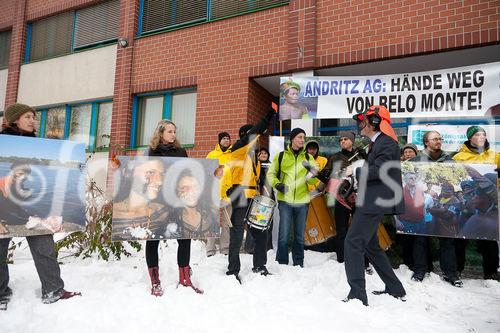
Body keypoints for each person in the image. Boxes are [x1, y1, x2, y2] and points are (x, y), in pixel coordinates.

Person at [0, 103, 80, 309]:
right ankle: (0, 292)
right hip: (2, 206)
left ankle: (53, 288)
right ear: (15, 119)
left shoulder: (38, 145)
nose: (32, 120)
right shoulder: (2, 142)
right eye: (27, 116)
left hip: (24, 206)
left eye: (33, 117)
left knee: (45, 246)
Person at [343, 105, 406, 306]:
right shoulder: (377, 143)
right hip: (372, 198)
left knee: (352, 242)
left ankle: (357, 295)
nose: (360, 124)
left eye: (363, 120)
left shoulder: (387, 143)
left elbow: (381, 171)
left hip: (375, 201)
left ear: (375, 122)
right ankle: (395, 288)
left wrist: (354, 171)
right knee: (371, 246)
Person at [145, 119, 203, 295]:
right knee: (153, 238)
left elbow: (187, 174)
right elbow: (147, 177)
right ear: (160, 133)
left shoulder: (180, 151)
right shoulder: (152, 152)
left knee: (185, 237)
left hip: (178, 200)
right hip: (158, 202)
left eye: (174, 131)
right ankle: (155, 281)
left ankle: (185, 278)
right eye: (169, 131)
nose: (173, 134)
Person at [221, 108, 275, 282]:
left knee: (260, 232)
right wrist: (268, 116)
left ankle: (260, 265)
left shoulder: (254, 157)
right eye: (254, 137)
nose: (257, 139)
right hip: (240, 195)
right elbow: (255, 132)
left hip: (253, 197)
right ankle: (233, 269)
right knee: (237, 233)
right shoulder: (238, 148)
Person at [409, 130, 462, 287]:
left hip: (445, 206)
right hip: (423, 205)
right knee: (420, 238)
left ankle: (450, 273)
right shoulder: (416, 161)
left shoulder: (450, 161)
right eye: (434, 139)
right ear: (426, 142)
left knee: (447, 240)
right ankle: (420, 270)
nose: (438, 141)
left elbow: (457, 181)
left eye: (440, 139)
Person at [317, 131, 370, 271]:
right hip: (341, 198)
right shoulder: (335, 157)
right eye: (341, 140)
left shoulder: (360, 155)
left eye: (345, 139)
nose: (343, 141)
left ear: (352, 140)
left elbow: (372, 172)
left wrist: (366, 158)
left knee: (361, 230)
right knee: (341, 229)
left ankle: (364, 261)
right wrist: (325, 174)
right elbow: (325, 177)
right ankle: (342, 259)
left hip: (360, 197)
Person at [453, 125, 500, 280]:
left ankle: (491, 273)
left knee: (490, 240)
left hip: (489, 204)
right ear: (470, 138)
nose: (482, 137)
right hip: (469, 204)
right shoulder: (458, 158)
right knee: (460, 238)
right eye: (478, 134)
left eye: (484, 134)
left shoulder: (495, 156)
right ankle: (457, 269)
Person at [267, 128, 318, 267]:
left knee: (300, 237)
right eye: (300, 137)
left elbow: (313, 181)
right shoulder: (281, 156)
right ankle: (282, 263)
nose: (302, 140)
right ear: (292, 139)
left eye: (304, 137)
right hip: (285, 201)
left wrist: (312, 174)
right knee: (283, 236)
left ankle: (298, 262)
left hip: (302, 202)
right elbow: (271, 174)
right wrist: (278, 185)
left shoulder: (308, 158)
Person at [112, 158, 168, 240]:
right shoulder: (113, 214)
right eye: (150, 172)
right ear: (130, 174)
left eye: (162, 175)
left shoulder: (162, 213)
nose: (160, 181)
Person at [167, 171, 218, 239]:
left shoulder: (212, 213)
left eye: (195, 186)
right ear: (176, 191)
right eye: (184, 188)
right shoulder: (170, 220)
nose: (191, 192)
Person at [205, 132, 232, 256]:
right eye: (224, 139)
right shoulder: (212, 155)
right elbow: (206, 172)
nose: (226, 141)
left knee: (226, 223)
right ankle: (210, 249)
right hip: (213, 194)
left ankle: (225, 248)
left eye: (228, 139)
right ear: (219, 141)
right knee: (212, 222)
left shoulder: (232, 155)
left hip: (228, 194)